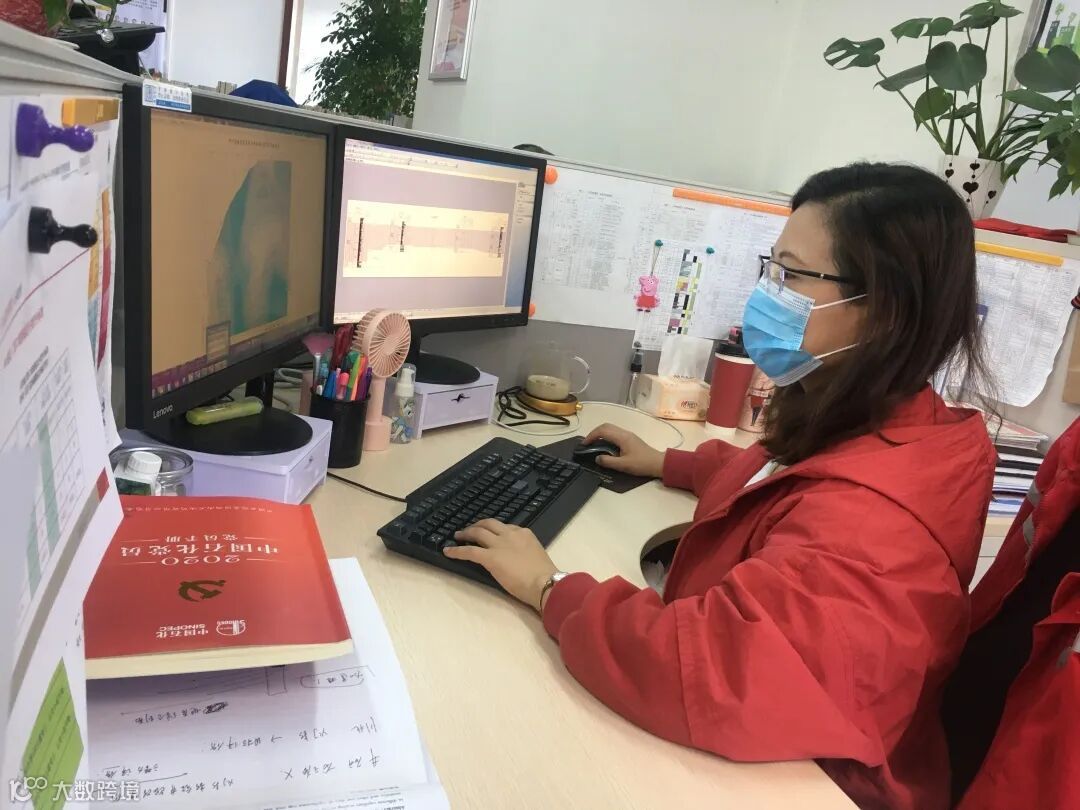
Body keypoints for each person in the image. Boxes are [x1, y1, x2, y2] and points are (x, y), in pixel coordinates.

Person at [443, 162, 996, 810]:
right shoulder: (893, 420)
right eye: (771, 268)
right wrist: (671, 463)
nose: (767, 295)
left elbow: (711, 674)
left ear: (883, 309)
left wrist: (549, 586)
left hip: (811, 786)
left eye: (792, 276)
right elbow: (785, 478)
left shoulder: (871, 531)